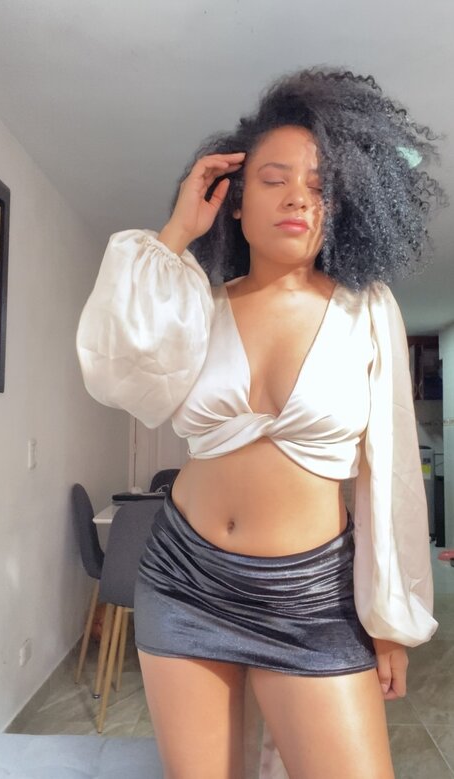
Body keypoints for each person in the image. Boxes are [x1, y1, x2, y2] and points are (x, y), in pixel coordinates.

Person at [76, 67, 445, 779]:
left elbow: (394, 471)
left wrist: (390, 621)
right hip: (184, 576)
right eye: (274, 179)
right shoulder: (198, 306)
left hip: (311, 599)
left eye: (320, 186)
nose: (299, 197)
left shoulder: (365, 309)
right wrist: (177, 233)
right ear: (237, 202)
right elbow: (117, 370)